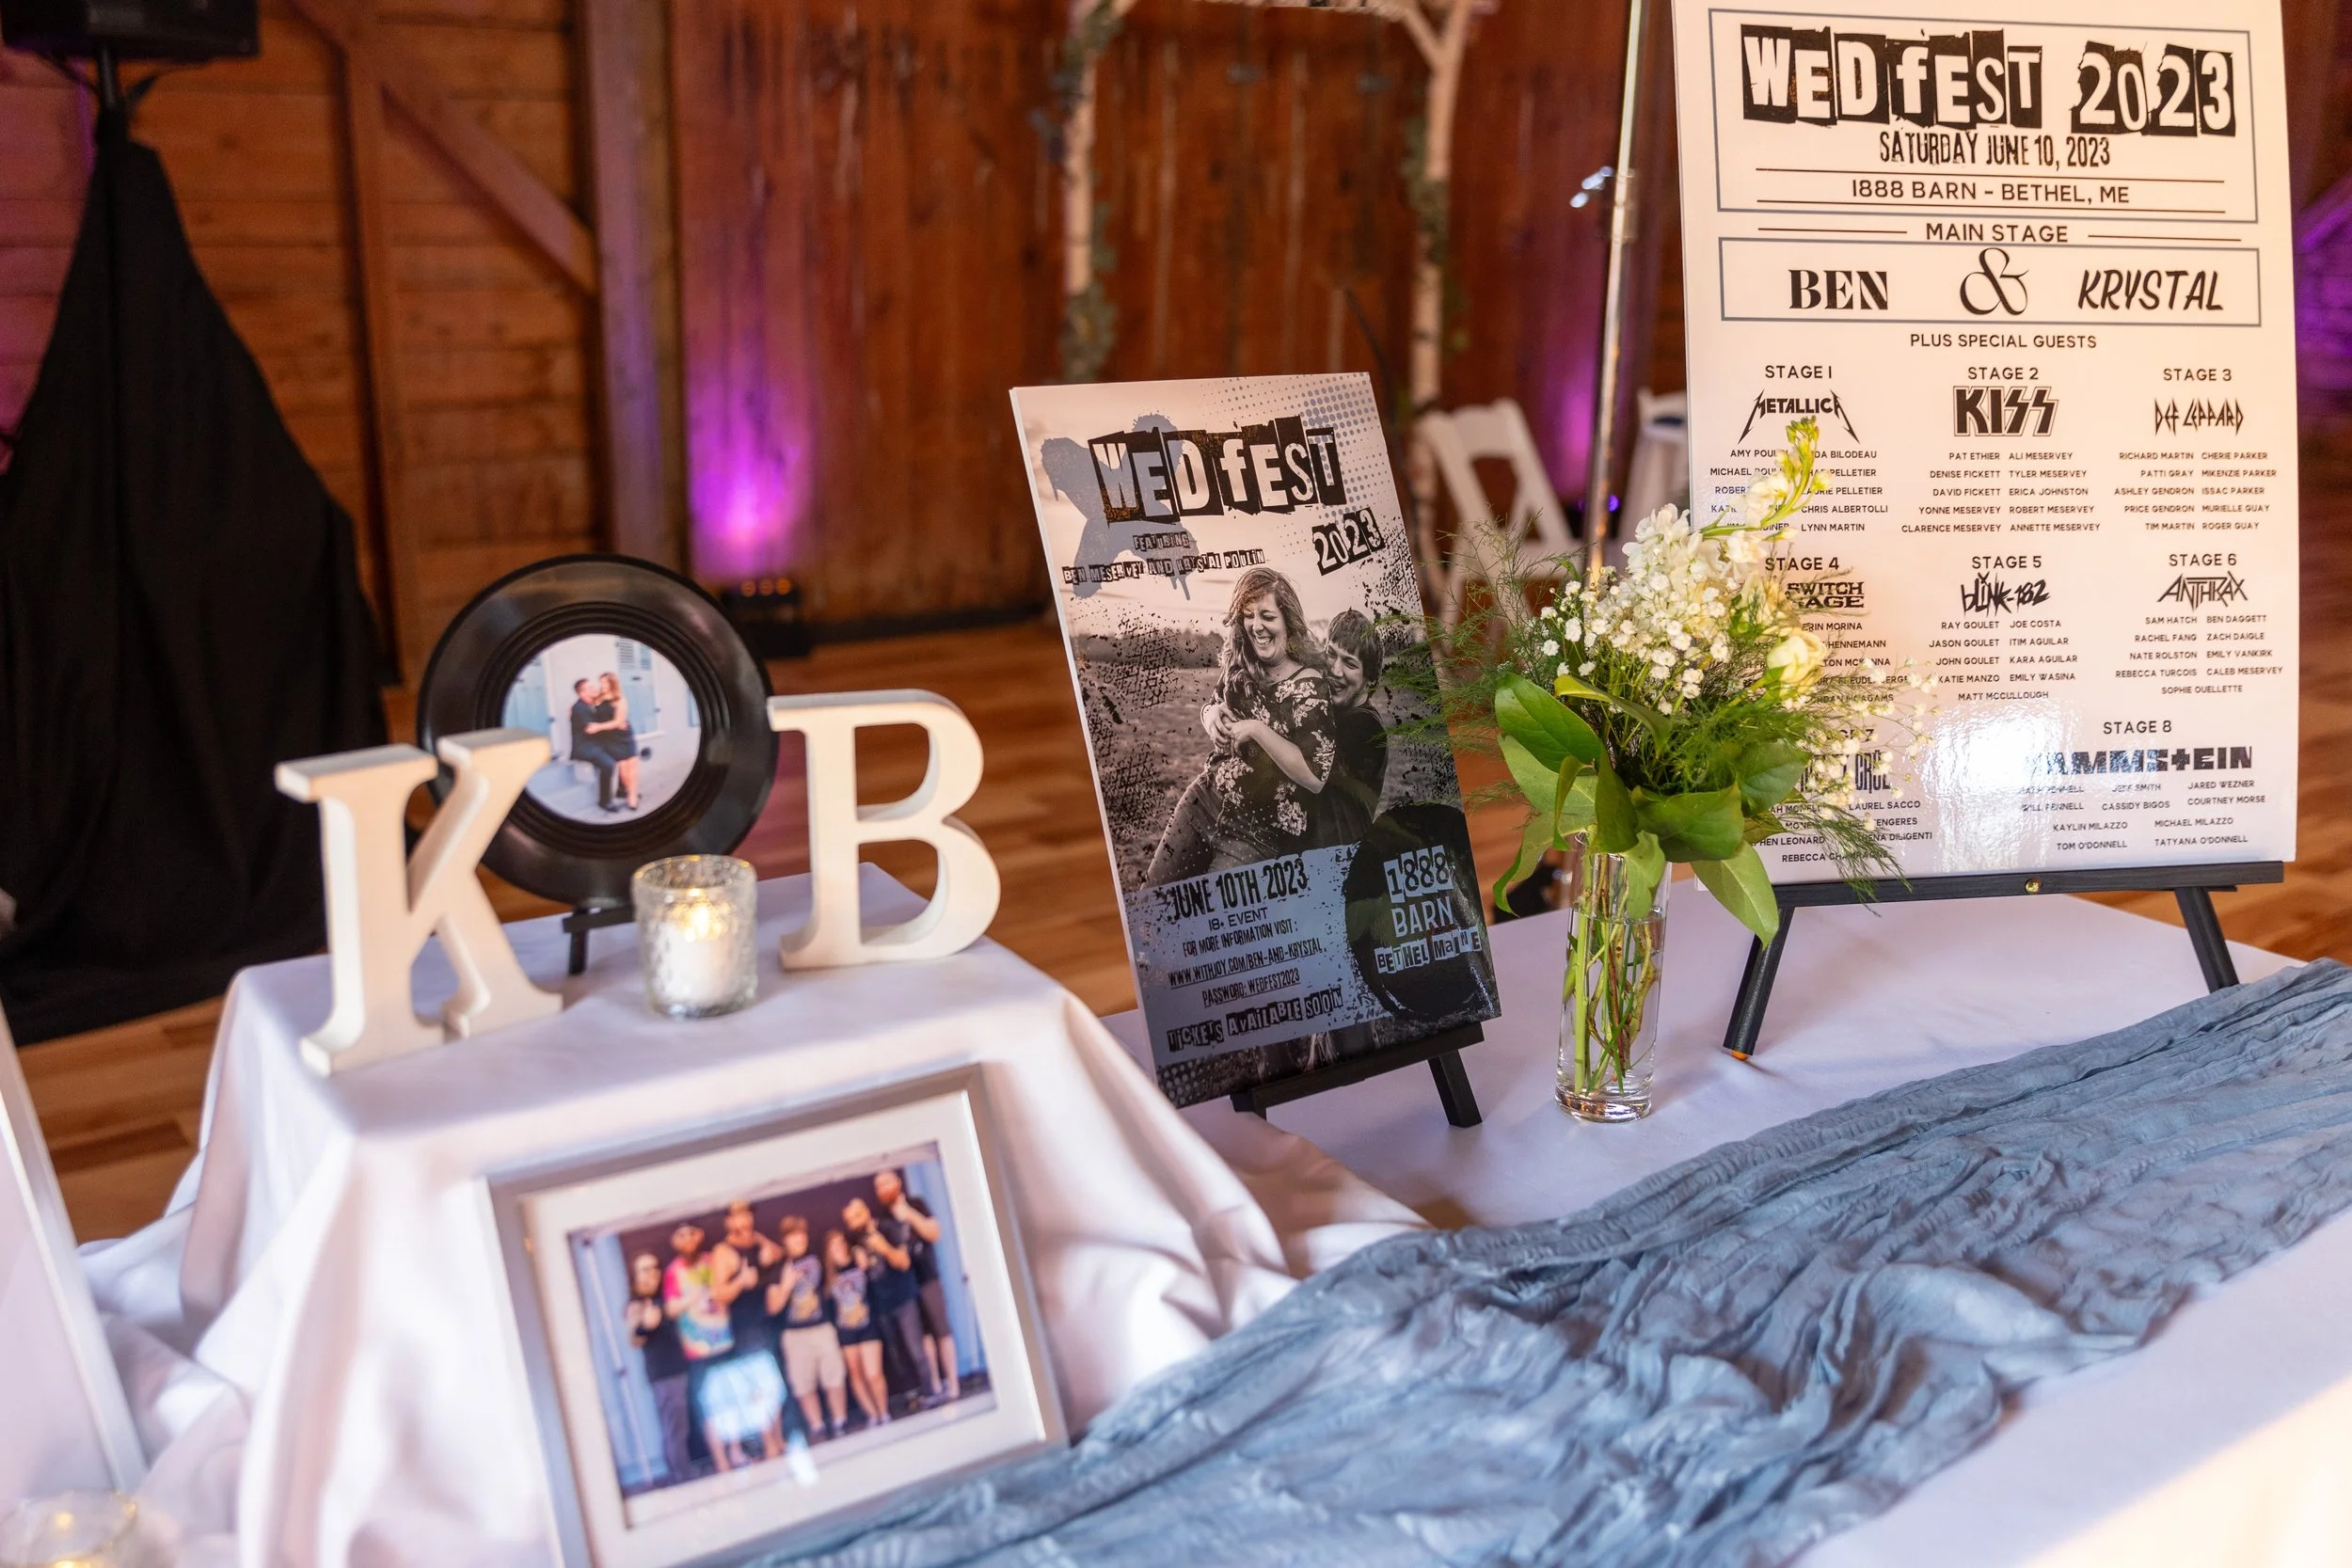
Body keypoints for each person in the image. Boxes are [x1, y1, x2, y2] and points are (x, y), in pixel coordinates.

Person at [1146, 566, 1338, 883]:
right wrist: (1210, 718)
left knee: (1217, 928)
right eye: (1248, 615)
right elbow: (1212, 704)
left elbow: (1316, 777)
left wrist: (1257, 730)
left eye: (1267, 616)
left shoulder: (1311, 686)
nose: (1256, 626)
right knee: (1153, 905)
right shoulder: (1242, 663)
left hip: (1257, 834)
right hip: (1203, 803)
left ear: (1287, 620)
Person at [660, 1221, 748, 1471]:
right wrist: (692, 1297)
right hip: (698, 1349)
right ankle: (720, 1460)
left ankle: (737, 1451)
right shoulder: (673, 1271)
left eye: (691, 1234)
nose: (688, 1240)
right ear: (675, 1242)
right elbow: (670, 1309)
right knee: (710, 1407)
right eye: (681, 1236)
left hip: (724, 1341)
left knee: (732, 1399)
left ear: (699, 1236)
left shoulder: (713, 1260)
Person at [713, 1200, 794, 1462]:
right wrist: (740, 1281)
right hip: (746, 1327)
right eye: (737, 1216)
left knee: (774, 1383)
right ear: (728, 1221)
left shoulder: (758, 1243)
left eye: (747, 1214)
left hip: (767, 1320)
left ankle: (778, 1439)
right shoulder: (724, 1252)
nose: (744, 1221)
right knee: (759, 1387)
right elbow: (718, 1294)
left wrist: (763, 1243)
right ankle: (768, 1442)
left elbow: (780, 1254)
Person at [844, 1195, 936, 1414]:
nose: (854, 1223)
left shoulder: (888, 1228)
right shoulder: (854, 1241)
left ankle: (931, 1393)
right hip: (880, 1305)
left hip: (903, 1298)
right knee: (896, 1355)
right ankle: (912, 1396)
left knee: (916, 1350)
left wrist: (882, 1247)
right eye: (849, 1220)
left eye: (857, 1216)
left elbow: (903, 1263)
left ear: (866, 1212)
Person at [873, 1168, 958, 1402]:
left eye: (886, 1183)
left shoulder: (915, 1204)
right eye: (878, 1186)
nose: (882, 1189)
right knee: (923, 1338)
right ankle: (935, 1387)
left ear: (898, 1183)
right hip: (905, 1287)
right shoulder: (882, 1218)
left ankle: (953, 1384)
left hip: (927, 1277)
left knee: (942, 1330)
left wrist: (909, 1215)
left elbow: (934, 1233)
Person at [1308, 610, 1389, 849]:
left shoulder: (1366, 728)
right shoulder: (1336, 712)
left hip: (1336, 866)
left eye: (1350, 663)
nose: (1335, 670)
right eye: (1331, 654)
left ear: (1371, 679)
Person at [769, 1215, 849, 1439]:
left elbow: (834, 1274)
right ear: (785, 1240)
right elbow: (772, 1306)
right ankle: (817, 1427)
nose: (799, 1239)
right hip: (795, 1333)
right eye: (794, 1236)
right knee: (804, 1384)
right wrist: (786, 1287)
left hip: (821, 1327)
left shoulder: (816, 1257)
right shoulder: (779, 1268)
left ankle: (840, 1421)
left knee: (834, 1377)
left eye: (801, 1234)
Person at [625, 1251, 694, 1485]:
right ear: (635, 1276)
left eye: (655, 1268)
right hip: (665, 1375)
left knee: (678, 1425)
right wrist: (645, 1325)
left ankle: (681, 1473)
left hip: (676, 1370)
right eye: (645, 1269)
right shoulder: (637, 1305)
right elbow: (634, 1337)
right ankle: (682, 1477)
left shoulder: (659, 1299)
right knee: (675, 1427)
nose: (652, 1273)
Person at [822, 1227, 888, 1429]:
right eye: (834, 1245)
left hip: (867, 1325)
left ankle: (884, 1412)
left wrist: (863, 1260)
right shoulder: (829, 1276)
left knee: (873, 1373)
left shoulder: (859, 1261)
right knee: (855, 1373)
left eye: (841, 1242)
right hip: (846, 1330)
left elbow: (875, 1278)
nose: (839, 1247)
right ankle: (872, 1414)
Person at [582, 672, 641, 811]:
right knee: (623, 770)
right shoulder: (597, 698)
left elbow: (619, 722)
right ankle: (629, 791)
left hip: (623, 736)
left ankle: (632, 796)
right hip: (610, 738)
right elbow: (583, 705)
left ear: (612, 684)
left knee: (631, 767)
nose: (602, 685)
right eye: (600, 682)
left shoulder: (620, 699)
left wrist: (599, 727)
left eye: (605, 682)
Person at [565, 677, 616, 809]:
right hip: (584, 748)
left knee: (621, 752)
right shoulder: (579, 708)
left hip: (594, 744)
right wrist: (612, 726)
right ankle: (605, 801)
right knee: (608, 764)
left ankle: (620, 790)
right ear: (582, 693)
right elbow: (591, 729)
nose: (594, 689)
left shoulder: (589, 704)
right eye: (591, 688)